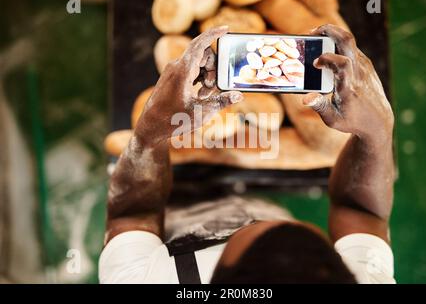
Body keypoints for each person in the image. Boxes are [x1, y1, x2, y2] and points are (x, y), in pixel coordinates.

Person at [99, 24, 395, 284]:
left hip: (176, 218)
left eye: (248, 233)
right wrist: (378, 132)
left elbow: (133, 214)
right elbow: (359, 213)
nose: (258, 223)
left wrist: (151, 131)